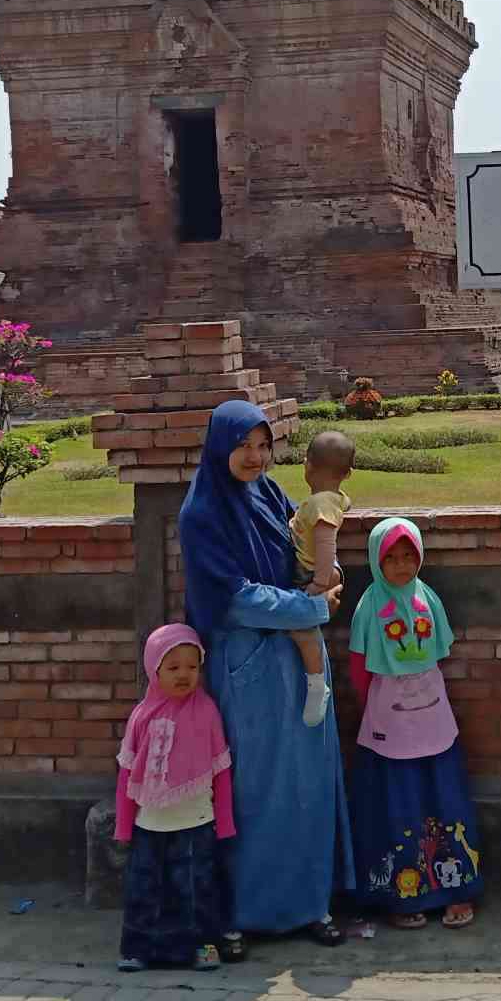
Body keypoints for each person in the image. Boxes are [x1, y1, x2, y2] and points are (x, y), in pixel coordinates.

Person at [179, 399, 352, 952]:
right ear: (219, 447)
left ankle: (310, 904)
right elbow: (232, 599)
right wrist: (312, 608)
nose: (254, 457)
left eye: (262, 446)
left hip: (299, 665)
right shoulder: (203, 513)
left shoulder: (271, 495)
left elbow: (295, 554)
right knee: (252, 792)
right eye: (242, 446)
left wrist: (323, 574)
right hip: (248, 668)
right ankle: (239, 915)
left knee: (308, 785)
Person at [347, 517, 480, 930]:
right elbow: (357, 666)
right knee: (397, 803)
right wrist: (377, 705)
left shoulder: (428, 597)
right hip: (389, 717)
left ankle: (455, 890)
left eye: (410, 556)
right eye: (392, 558)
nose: (403, 566)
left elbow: (437, 651)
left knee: (443, 798)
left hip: (432, 711)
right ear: (376, 561)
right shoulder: (370, 604)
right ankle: (404, 896)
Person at [113, 624, 235, 972]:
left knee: (197, 890)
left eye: (192, 667)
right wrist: (124, 827)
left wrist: (224, 823)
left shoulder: (207, 712)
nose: (184, 674)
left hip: (196, 822)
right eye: (173, 667)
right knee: (144, 891)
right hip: (148, 824)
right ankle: (138, 949)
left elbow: (221, 769)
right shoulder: (141, 716)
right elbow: (126, 774)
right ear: (154, 669)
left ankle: (202, 948)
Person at [288, 430, 356, 727]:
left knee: (303, 632)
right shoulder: (336, 499)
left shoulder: (320, 505)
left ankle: (317, 685)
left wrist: (319, 581)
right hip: (313, 571)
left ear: (307, 465)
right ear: (347, 474)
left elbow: (327, 545)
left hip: (309, 574)